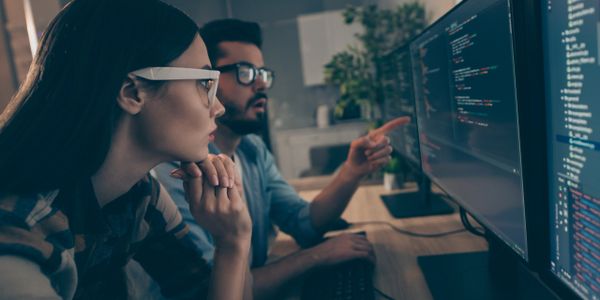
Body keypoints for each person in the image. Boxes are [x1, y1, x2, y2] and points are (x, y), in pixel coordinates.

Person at [0, 1, 253, 299]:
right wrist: (233, 243)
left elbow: (202, 292)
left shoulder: (140, 197)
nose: (219, 107)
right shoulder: (17, 234)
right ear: (132, 92)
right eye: (204, 83)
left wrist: (232, 242)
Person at [154, 19, 409, 299]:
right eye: (246, 73)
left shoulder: (252, 150)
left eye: (262, 73)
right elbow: (212, 291)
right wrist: (316, 256)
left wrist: (352, 171)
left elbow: (304, 223)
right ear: (208, 82)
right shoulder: (180, 174)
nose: (262, 84)